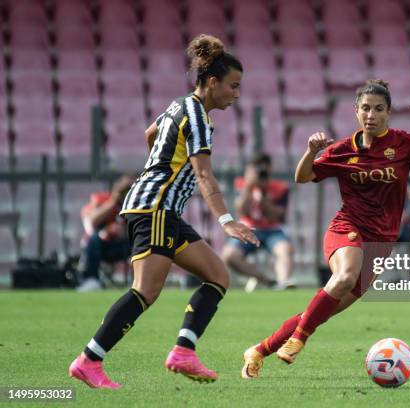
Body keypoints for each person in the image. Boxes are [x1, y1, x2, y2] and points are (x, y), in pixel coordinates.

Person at [69, 34, 259, 389]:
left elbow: (150, 133)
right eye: (233, 86)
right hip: (154, 208)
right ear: (213, 82)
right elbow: (204, 174)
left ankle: (183, 352)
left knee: (218, 274)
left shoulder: (179, 105)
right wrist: (226, 220)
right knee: (146, 290)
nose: (236, 94)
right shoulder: (198, 117)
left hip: (161, 209)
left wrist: (160, 166)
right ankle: (88, 360)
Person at [241, 79, 410, 379]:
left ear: (389, 112)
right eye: (366, 109)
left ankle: (258, 351)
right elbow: (302, 176)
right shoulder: (343, 150)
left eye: (379, 109)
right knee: (344, 277)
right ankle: (299, 340)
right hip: (347, 228)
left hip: (380, 243)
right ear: (356, 111)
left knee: (319, 313)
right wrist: (310, 151)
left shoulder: (406, 144)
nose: (372, 115)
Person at [222, 152, 293, 290]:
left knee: (284, 250)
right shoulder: (242, 185)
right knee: (229, 255)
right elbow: (241, 211)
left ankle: (283, 283)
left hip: (273, 230)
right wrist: (248, 188)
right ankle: (264, 279)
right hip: (249, 228)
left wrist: (264, 197)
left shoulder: (280, 188)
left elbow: (277, 216)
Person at [76, 175, 134, 292]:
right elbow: (91, 220)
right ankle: (91, 280)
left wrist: (123, 231)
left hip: (125, 245)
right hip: (103, 245)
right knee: (93, 239)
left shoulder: (135, 205)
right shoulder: (104, 201)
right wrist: (113, 202)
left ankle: (141, 282)